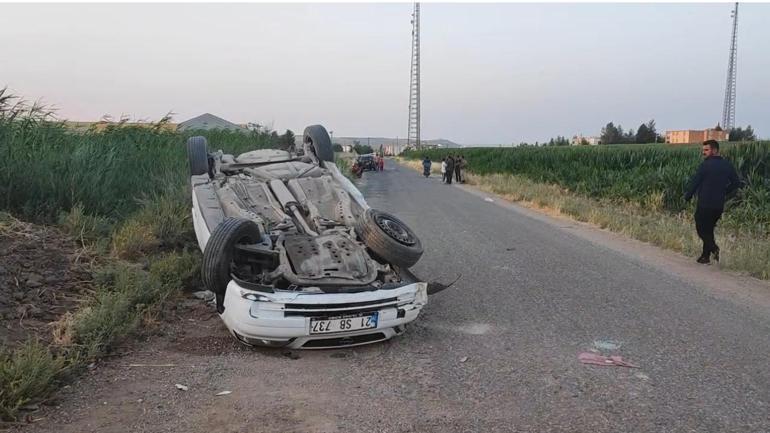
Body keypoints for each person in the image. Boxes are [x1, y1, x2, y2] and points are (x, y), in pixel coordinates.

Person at [684, 139, 741, 264]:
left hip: (705, 204)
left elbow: (695, 182)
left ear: (714, 150)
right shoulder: (727, 165)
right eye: (703, 150)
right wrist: (725, 192)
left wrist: (688, 196)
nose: (703, 152)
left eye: (706, 150)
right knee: (709, 230)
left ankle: (715, 249)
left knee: (701, 228)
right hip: (718, 205)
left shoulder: (705, 165)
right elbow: (736, 183)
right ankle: (705, 257)